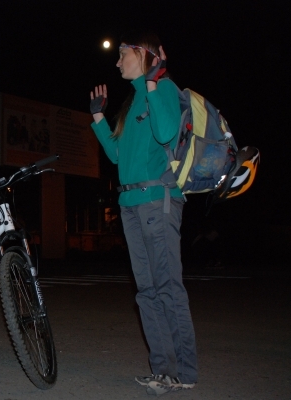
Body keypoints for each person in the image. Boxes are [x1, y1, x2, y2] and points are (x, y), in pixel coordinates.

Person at [89, 32, 198, 396]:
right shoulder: (133, 100)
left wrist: (153, 82)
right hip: (131, 205)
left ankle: (185, 371)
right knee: (147, 291)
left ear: (145, 55)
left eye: (124, 54)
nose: (118, 61)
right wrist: (99, 117)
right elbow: (118, 155)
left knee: (167, 286)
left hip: (157, 200)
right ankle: (162, 369)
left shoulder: (162, 89)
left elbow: (167, 134)